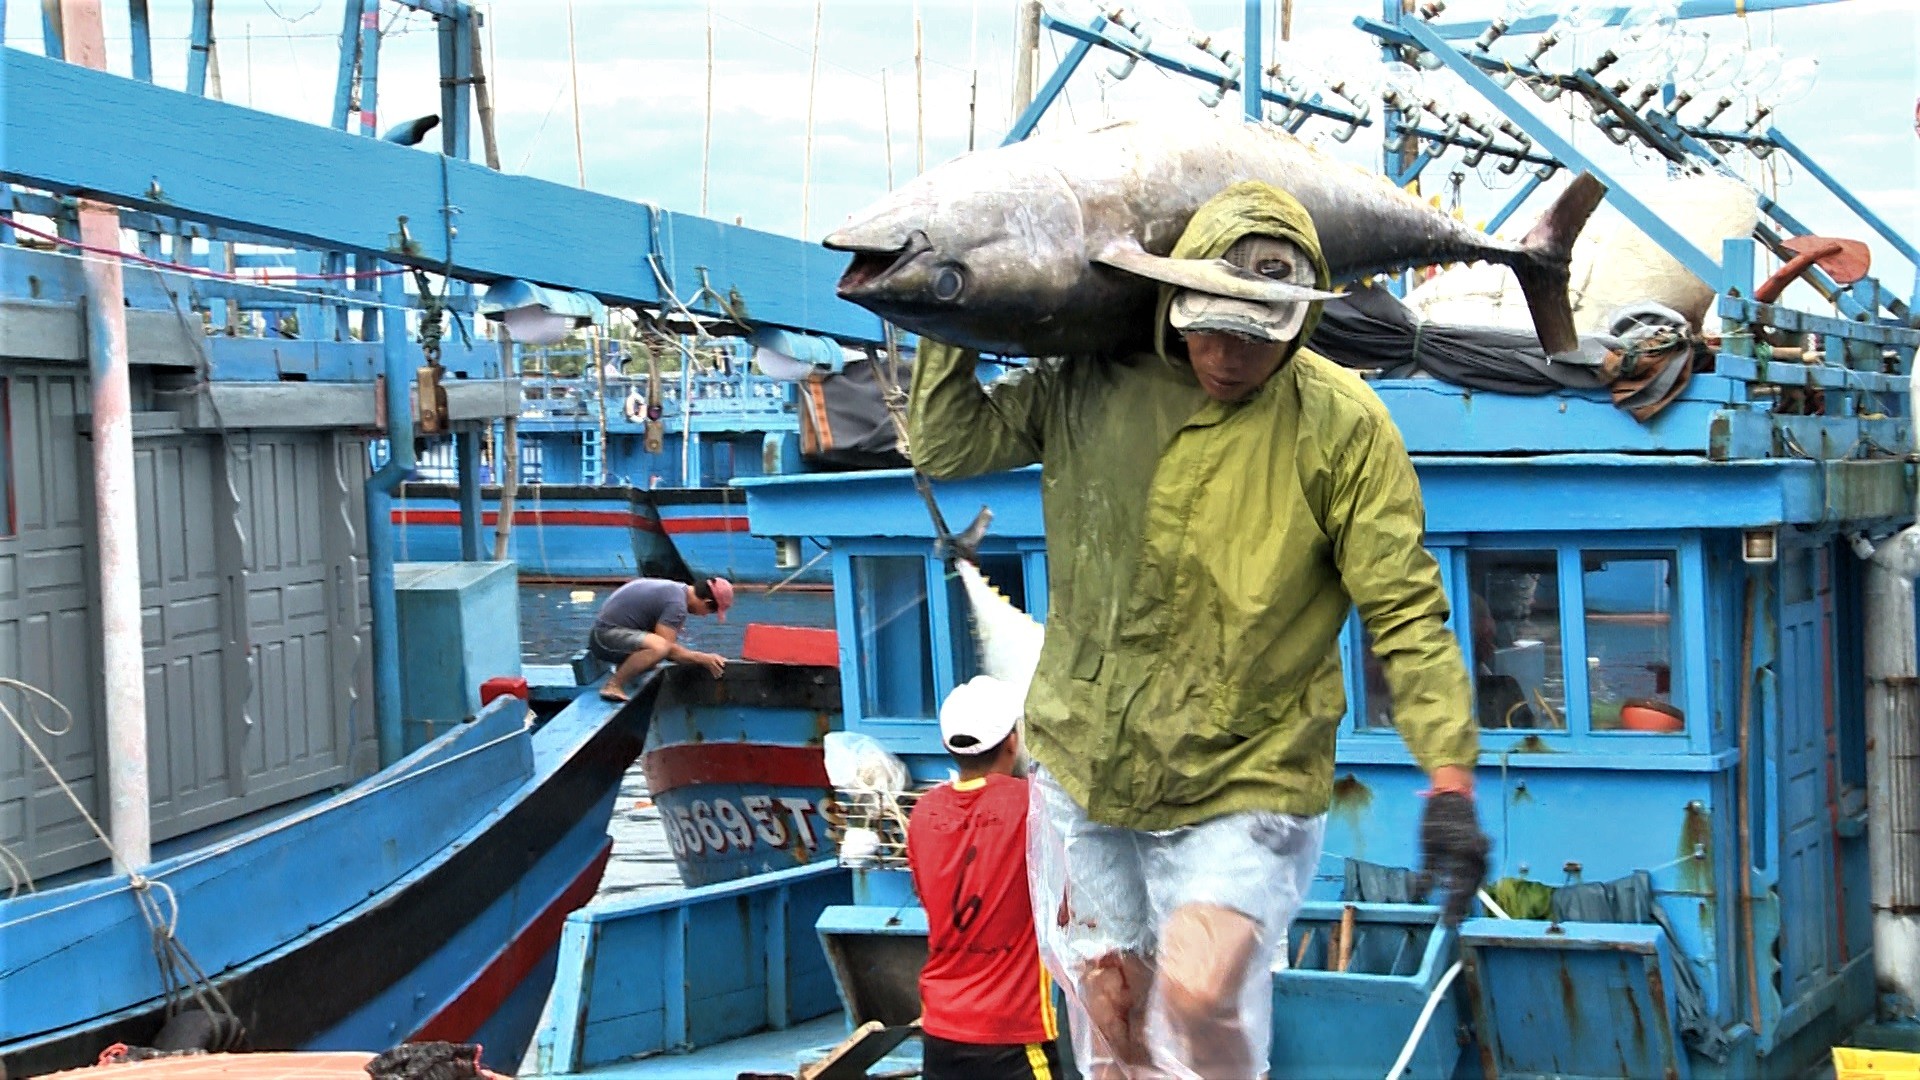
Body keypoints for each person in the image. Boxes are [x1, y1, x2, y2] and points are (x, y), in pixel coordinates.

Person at [907, 181, 1489, 1078]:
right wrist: (950, 296)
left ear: (1298, 323)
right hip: (1084, 759)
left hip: (1242, 772)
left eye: (1258, 335)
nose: (1227, 355)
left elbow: (1404, 606)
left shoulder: (1343, 427)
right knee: (1111, 1018)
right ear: (1171, 302)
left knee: (1199, 991)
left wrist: (1449, 776)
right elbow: (949, 446)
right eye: (1209, 326)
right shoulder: (1087, 383)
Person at [907, 676, 1061, 1080]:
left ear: (949, 747)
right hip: (1011, 1036)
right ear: (1013, 741)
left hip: (940, 1035)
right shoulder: (1034, 806)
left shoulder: (922, 814)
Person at [588, 576, 733, 702]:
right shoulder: (677, 605)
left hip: (607, 633)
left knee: (657, 650)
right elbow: (667, 650)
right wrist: (702, 658)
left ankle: (624, 667)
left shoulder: (677, 590)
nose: (704, 616)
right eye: (710, 612)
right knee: (660, 647)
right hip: (604, 638)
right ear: (707, 602)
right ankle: (613, 685)